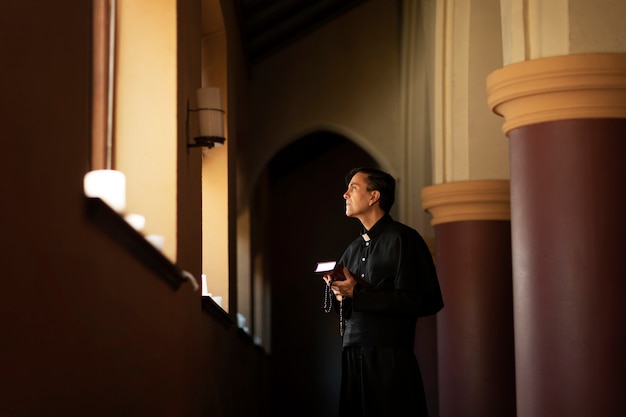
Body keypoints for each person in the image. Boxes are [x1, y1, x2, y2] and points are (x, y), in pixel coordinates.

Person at [323, 167, 444, 417]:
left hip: (389, 357)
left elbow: (424, 300)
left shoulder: (404, 239)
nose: (345, 194)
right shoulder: (352, 249)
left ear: (374, 196)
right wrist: (339, 294)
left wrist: (358, 294)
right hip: (352, 353)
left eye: (353, 188)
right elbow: (346, 307)